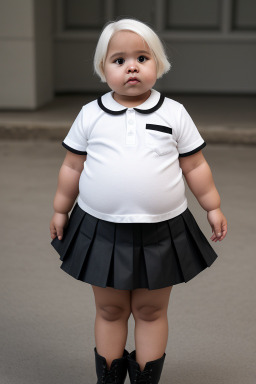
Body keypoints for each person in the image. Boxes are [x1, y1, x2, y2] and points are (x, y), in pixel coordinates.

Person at [50, 18, 227, 384]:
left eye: (142, 58)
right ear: (103, 69)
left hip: (163, 229)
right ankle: (110, 378)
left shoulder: (174, 113)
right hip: (100, 226)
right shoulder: (91, 114)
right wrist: (60, 208)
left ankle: (146, 380)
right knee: (111, 309)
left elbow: (194, 164)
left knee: (150, 310)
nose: (131, 66)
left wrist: (212, 205)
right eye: (119, 60)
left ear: (157, 65)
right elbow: (72, 165)